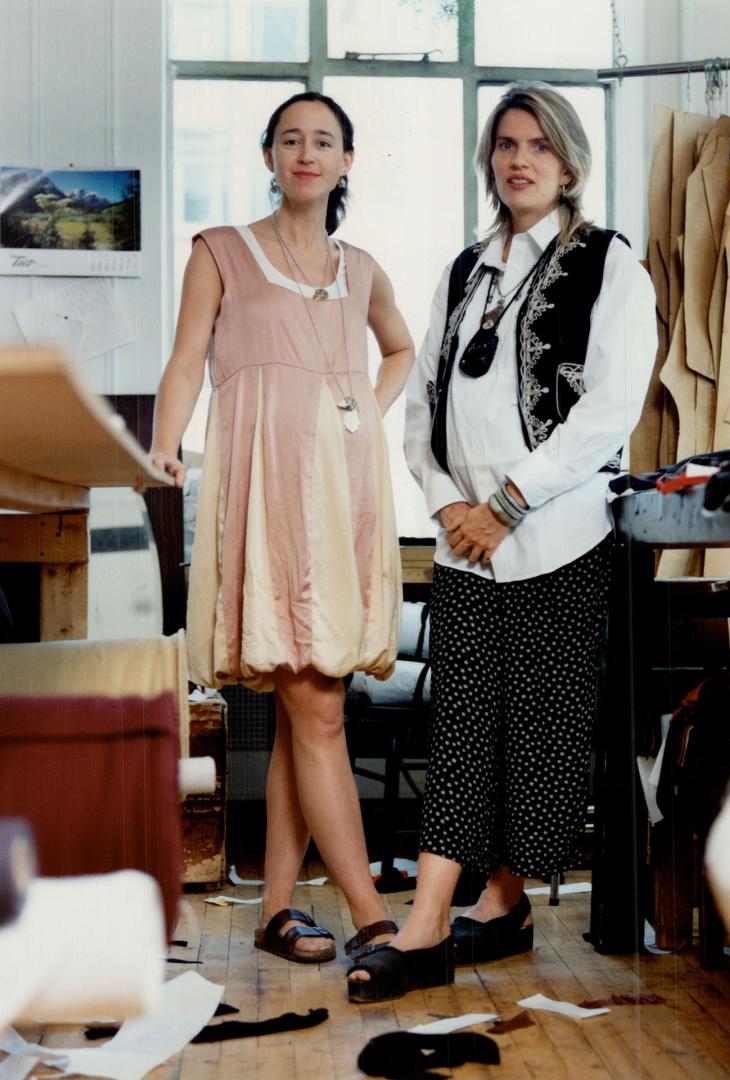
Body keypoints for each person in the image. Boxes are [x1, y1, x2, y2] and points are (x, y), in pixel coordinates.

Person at [347, 83, 657, 1002]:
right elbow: (421, 411)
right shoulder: (462, 271)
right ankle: (430, 920)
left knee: (545, 733)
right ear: (490, 161)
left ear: (568, 163)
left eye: (537, 145)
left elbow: (609, 409)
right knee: (463, 728)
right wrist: (448, 506)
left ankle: (503, 900)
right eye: (505, 144)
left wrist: (510, 503)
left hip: (556, 535)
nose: (518, 159)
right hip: (464, 545)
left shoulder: (609, 265)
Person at [150, 91, 414, 965]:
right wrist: (165, 443)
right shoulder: (220, 252)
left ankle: (274, 910)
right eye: (290, 139)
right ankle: (374, 913)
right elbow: (187, 358)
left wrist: (361, 422)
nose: (307, 152)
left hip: (343, 502)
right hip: (265, 494)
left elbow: (400, 350)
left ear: (346, 162)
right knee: (319, 705)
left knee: (312, 698)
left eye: (324, 141)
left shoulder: (363, 267)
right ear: (269, 156)